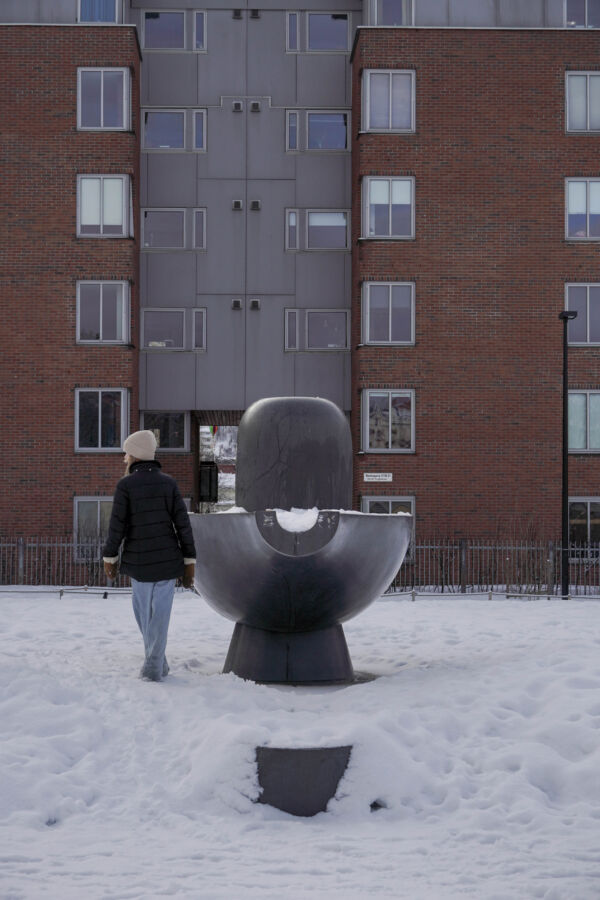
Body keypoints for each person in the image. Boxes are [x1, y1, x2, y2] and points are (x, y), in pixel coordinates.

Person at [102, 429, 196, 682]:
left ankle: (153, 666)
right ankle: (159, 663)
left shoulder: (126, 485)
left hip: (139, 563)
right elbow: (182, 525)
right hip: (168, 562)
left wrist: (109, 557)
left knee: (144, 616)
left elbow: (117, 526)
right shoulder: (169, 484)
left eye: (127, 452)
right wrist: (189, 561)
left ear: (136, 455)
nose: (124, 457)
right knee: (161, 616)